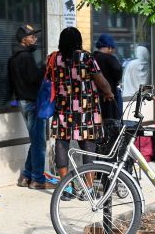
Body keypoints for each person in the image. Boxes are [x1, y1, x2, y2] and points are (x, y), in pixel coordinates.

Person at [49, 27, 114, 179]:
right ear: (78, 41)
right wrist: (109, 93)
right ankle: (89, 186)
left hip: (63, 108)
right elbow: (101, 81)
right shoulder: (86, 57)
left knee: (61, 143)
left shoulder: (53, 58)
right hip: (87, 109)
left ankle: (64, 186)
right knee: (88, 145)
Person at [7, 23, 48, 189]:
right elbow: (34, 78)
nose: (35, 38)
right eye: (32, 36)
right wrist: (45, 67)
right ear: (24, 39)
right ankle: (37, 179)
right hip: (32, 102)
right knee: (39, 143)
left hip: (24, 101)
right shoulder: (25, 57)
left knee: (36, 140)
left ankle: (26, 176)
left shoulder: (15, 57)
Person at [93, 33, 123, 120]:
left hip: (95, 97)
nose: (113, 51)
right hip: (109, 96)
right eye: (113, 49)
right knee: (111, 122)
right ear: (109, 48)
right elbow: (118, 71)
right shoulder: (110, 59)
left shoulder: (92, 57)